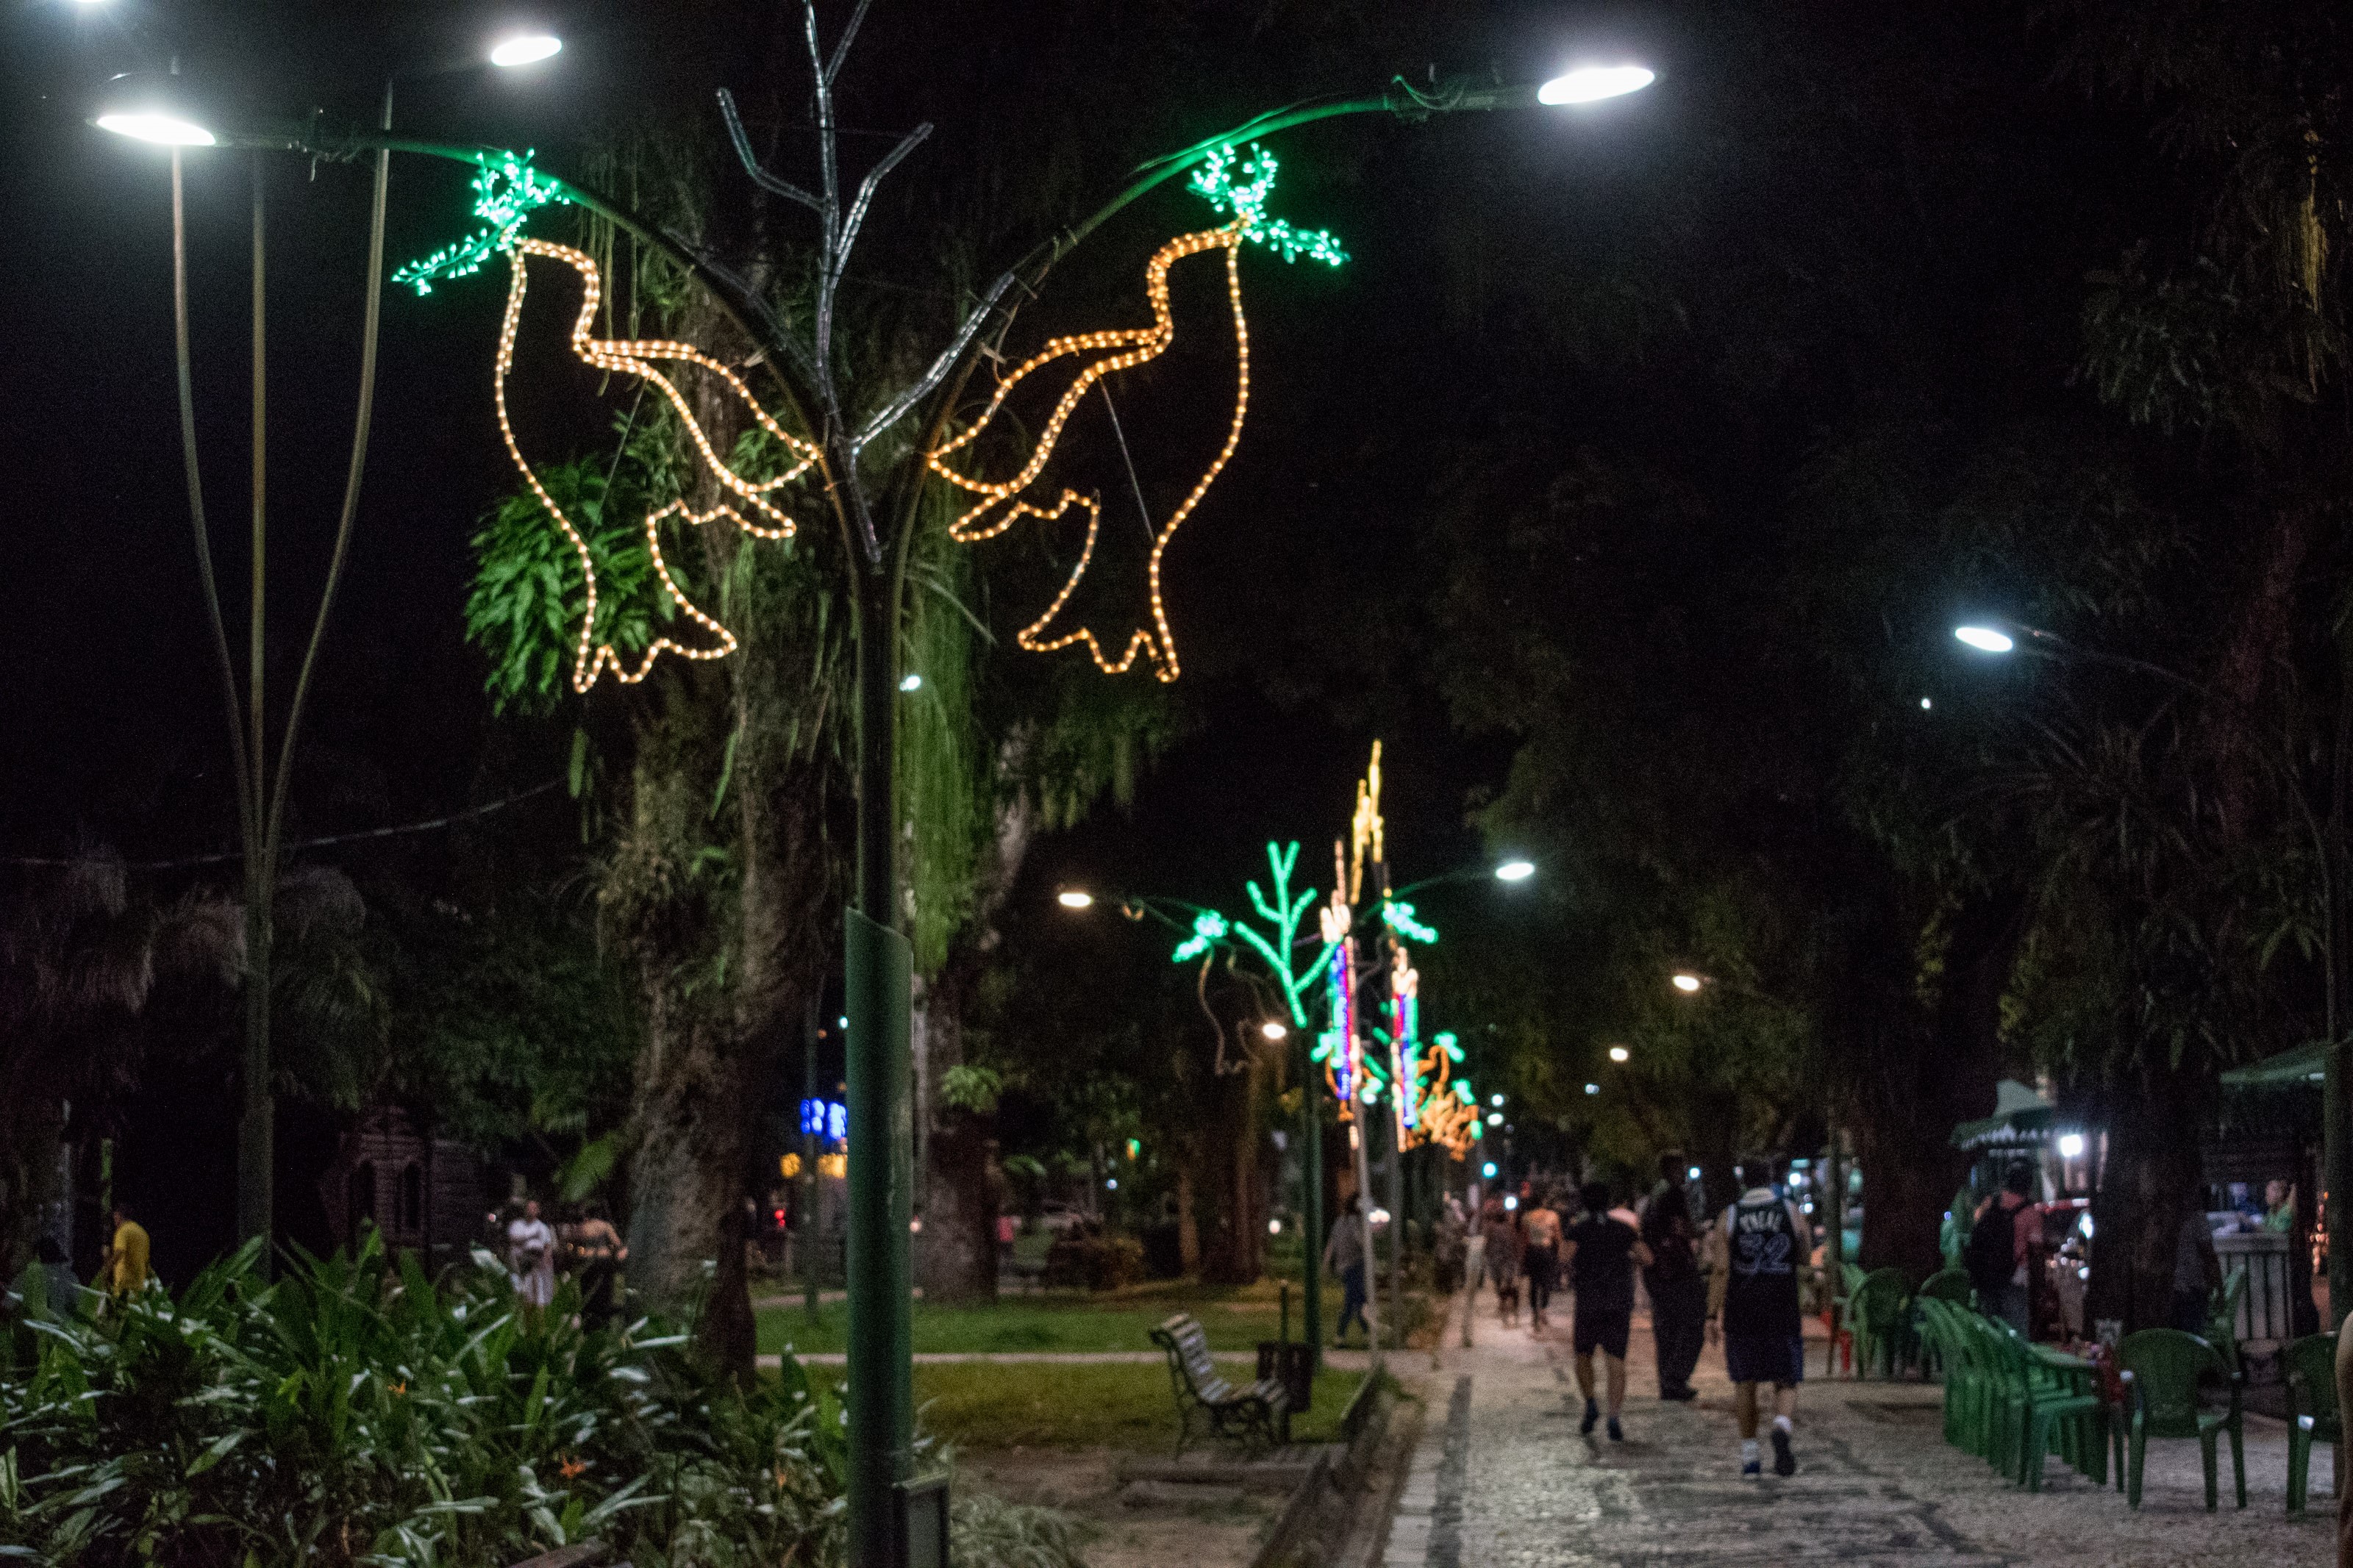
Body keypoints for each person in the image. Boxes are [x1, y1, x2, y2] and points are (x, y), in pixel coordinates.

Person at [1707, 1155, 1811, 1477]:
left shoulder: (1731, 1215)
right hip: (1782, 1307)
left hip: (1742, 1310)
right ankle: (1781, 1425)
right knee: (1786, 1378)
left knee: (1745, 1382)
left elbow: (1722, 1268)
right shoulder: (1791, 1212)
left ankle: (1751, 1455)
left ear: (1743, 1181)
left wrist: (1711, 1314)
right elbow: (1805, 1254)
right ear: (1769, 1178)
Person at [1565, 1179, 1653, 1440]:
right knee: (1616, 1360)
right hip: (1618, 1302)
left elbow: (1563, 1257)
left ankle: (1591, 1402)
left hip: (1588, 1302)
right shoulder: (1624, 1230)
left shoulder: (1578, 1230)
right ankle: (1614, 1415)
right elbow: (1648, 1258)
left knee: (1583, 1356)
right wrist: (1628, 1257)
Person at [1641, 1151, 1705, 1402]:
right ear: (1671, 1170)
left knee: (1666, 1327)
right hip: (1676, 1269)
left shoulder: (1654, 1196)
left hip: (1656, 1271)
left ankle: (1668, 1383)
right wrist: (1697, 1232)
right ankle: (1676, 1377)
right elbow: (1684, 1228)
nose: (1684, 1174)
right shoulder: (1673, 1194)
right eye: (1681, 1169)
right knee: (1693, 1322)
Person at [1965, 1165, 2037, 1335]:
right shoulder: (2031, 1214)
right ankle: (2014, 1361)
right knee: (2016, 1330)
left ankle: (1993, 1360)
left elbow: (1976, 1230)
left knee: (1990, 1329)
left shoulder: (1990, 1202)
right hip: (2014, 1279)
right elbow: (2036, 1251)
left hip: (1986, 1276)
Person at [568, 1200, 627, 1330]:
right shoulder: (606, 1227)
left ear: (587, 1215)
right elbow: (618, 1244)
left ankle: (589, 1323)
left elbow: (571, 1243)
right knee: (605, 1291)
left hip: (588, 1262)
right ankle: (604, 1321)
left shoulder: (583, 1228)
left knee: (588, 1292)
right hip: (604, 1260)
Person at [1325, 1195, 1370, 1347]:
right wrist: (1369, 1247)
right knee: (1355, 1303)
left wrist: (1326, 1264)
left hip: (1342, 1267)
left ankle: (1366, 1334)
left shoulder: (1339, 1222)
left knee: (1358, 1301)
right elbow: (1360, 1240)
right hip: (1355, 1264)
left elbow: (1331, 1244)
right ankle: (1342, 1336)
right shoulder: (1355, 1222)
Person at [2172, 1201, 2222, 1333]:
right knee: (2193, 1337)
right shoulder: (2197, 1217)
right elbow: (2209, 1255)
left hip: (2174, 1287)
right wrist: (2220, 1291)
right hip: (2192, 1288)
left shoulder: (2165, 1215)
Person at [1521, 1187, 1563, 1333]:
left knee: (1533, 1283)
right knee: (1546, 1282)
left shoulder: (1527, 1216)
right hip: (1547, 1251)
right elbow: (1558, 1236)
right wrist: (1560, 1253)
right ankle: (1543, 1311)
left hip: (1533, 1251)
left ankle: (1534, 1313)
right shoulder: (1553, 1216)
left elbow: (1524, 1238)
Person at [507, 1198, 557, 1322]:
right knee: (523, 1294)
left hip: (537, 1264)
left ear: (538, 1211)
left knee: (538, 1296)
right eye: (528, 1208)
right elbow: (514, 1239)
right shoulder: (517, 1225)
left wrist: (546, 1259)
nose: (530, 1211)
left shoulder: (543, 1228)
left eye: (533, 1208)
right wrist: (531, 1236)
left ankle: (539, 1323)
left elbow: (547, 1246)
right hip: (520, 1264)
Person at [1482, 1195, 1524, 1325]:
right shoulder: (1510, 1228)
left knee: (1497, 1282)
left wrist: (1486, 1255)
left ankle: (1502, 1303)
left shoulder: (1490, 1228)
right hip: (1509, 1258)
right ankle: (1507, 1304)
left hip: (1495, 1259)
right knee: (1509, 1281)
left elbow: (1487, 1244)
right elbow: (1515, 1243)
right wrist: (1518, 1257)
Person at [104, 1200, 151, 1300]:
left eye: (115, 1217)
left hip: (124, 1283)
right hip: (138, 1283)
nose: (114, 1220)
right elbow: (146, 1260)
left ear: (119, 1216)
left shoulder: (122, 1231)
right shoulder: (142, 1232)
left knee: (119, 1311)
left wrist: (108, 1267)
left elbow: (119, 1252)